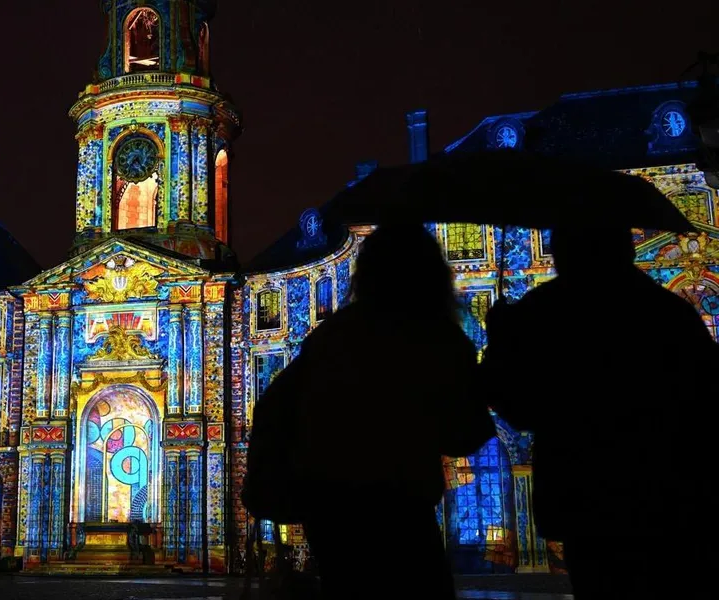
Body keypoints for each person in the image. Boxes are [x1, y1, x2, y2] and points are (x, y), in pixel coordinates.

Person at [244, 223, 495, 599]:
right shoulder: (435, 337)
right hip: (402, 510)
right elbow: (465, 433)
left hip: (331, 513)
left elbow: (271, 407)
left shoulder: (332, 335)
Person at [481, 226, 718, 599]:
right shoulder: (669, 312)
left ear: (561, 252)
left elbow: (515, 408)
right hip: (667, 495)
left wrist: (499, 344)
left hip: (584, 497)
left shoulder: (541, 311)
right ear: (626, 249)